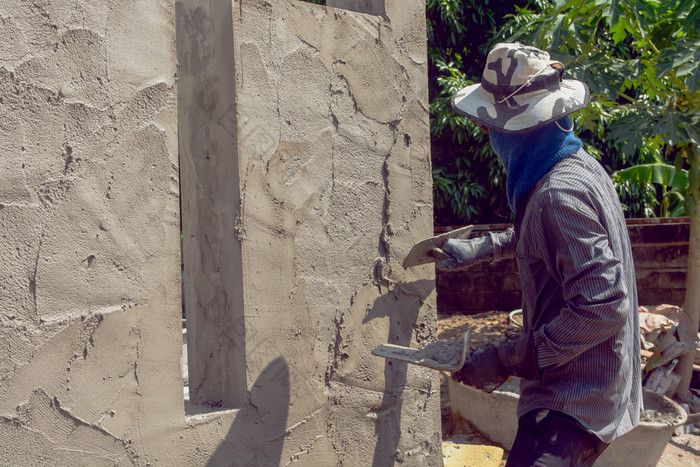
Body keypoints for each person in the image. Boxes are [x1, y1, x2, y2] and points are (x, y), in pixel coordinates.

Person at [435, 43, 642, 466]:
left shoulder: (557, 194)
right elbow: (547, 237)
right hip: (596, 390)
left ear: (513, 130)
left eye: (490, 126)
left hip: (572, 403)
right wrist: (482, 247)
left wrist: (506, 358)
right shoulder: (573, 166)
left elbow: (604, 305)